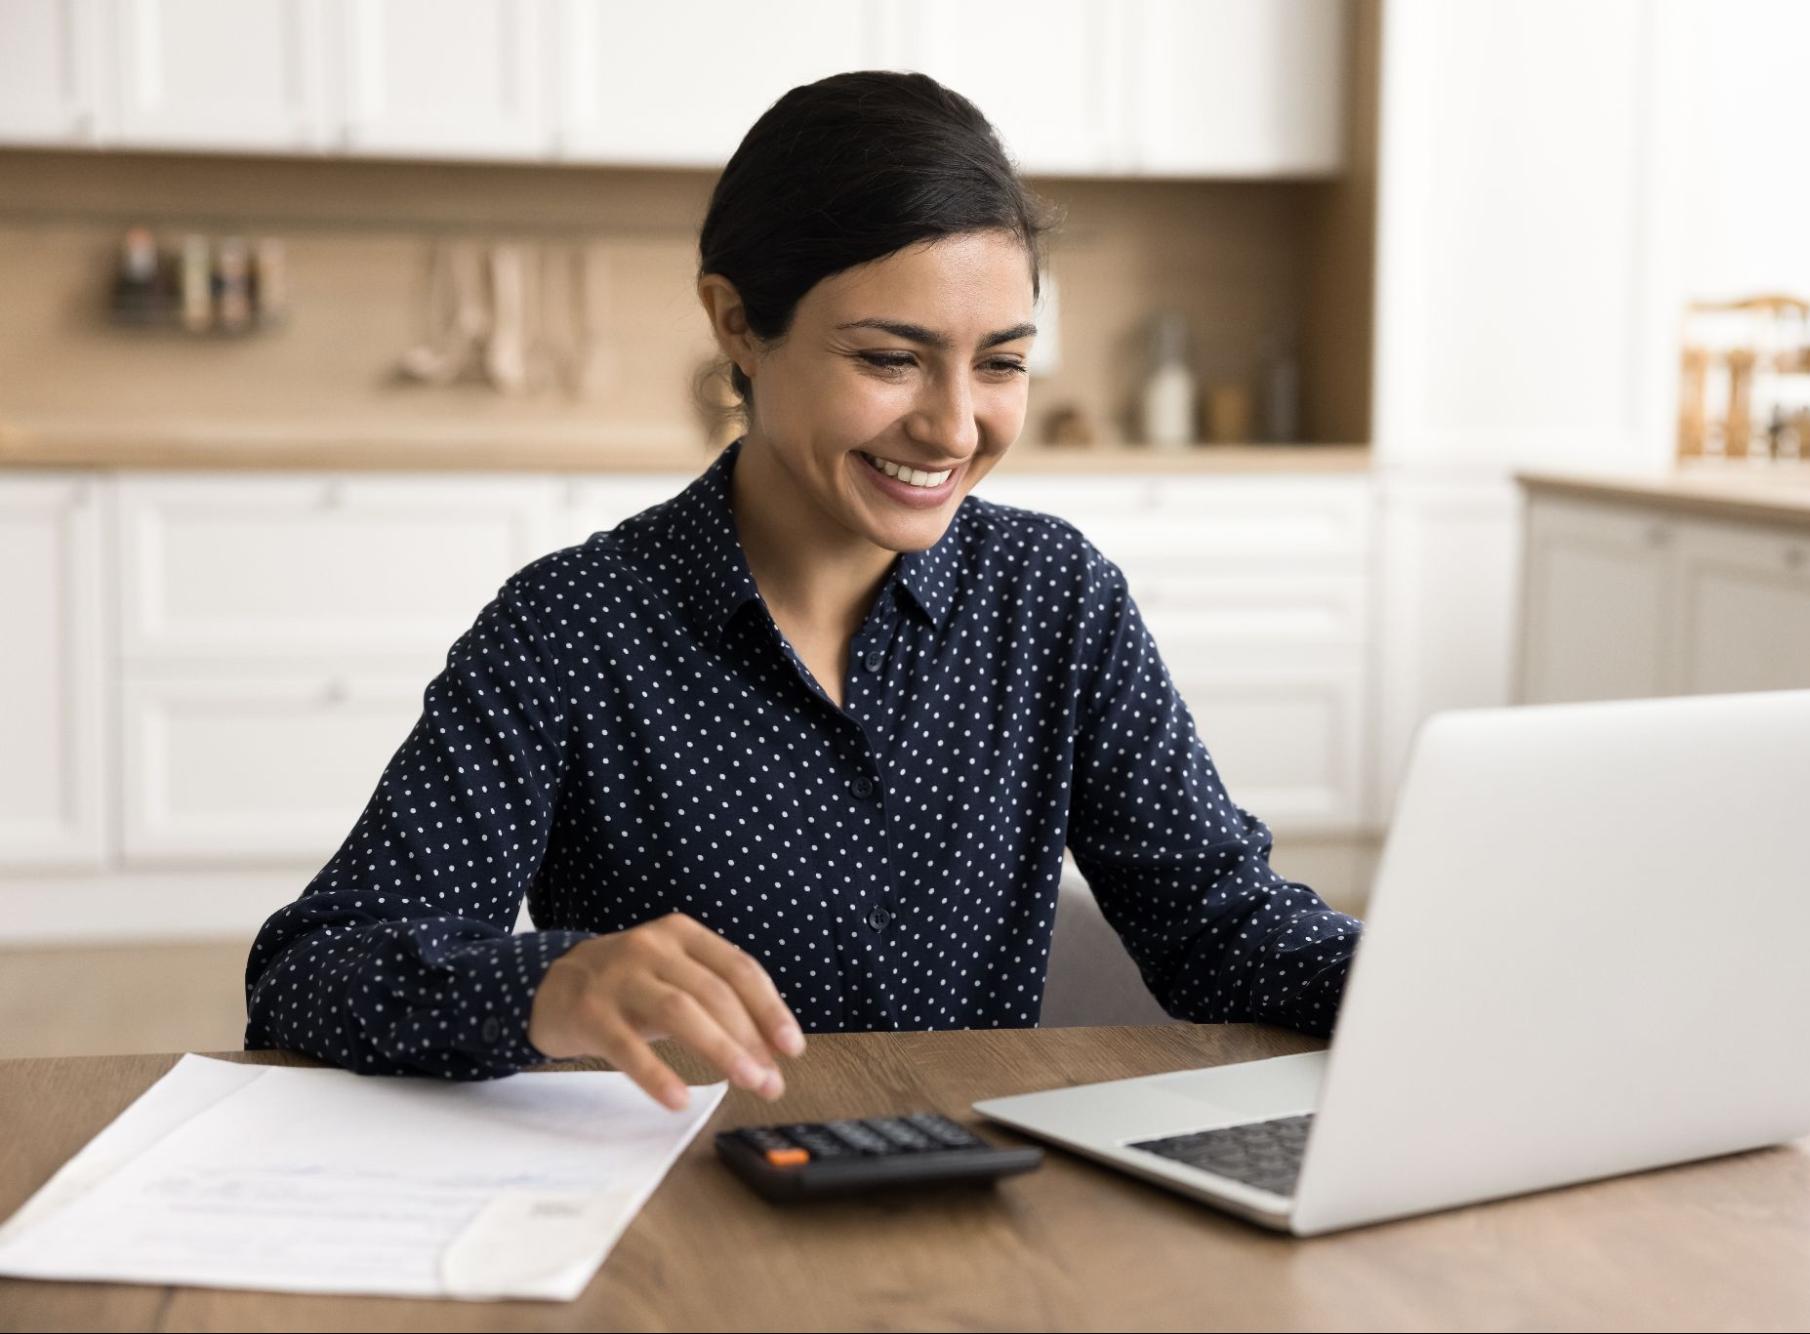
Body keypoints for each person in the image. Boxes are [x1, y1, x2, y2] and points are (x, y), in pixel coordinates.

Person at [243, 71, 1364, 1112]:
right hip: (678, 1219)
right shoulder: (571, 625)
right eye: (889, 358)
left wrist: (1462, 980)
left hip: (971, 1196)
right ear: (737, 322)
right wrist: (551, 979)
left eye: (1002, 362)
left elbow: (1224, 927)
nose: (954, 425)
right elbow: (310, 967)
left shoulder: (1053, 597)